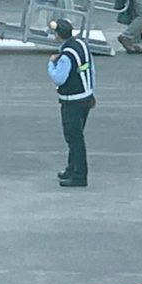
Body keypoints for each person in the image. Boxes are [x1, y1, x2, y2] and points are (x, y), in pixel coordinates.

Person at [47, 18, 96, 187]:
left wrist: (51, 64)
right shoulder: (81, 45)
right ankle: (71, 167)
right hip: (86, 97)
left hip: (72, 101)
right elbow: (90, 68)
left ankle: (79, 175)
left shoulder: (65, 56)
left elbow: (59, 79)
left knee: (74, 139)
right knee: (76, 136)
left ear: (58, 35)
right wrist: (91, 91)